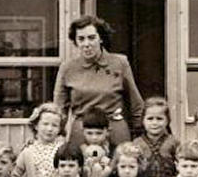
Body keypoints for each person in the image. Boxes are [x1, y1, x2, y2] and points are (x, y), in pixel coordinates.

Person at [54, 15, 145, 148]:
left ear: (101, 38)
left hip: (114, 129)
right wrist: (55, 136)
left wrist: (141, 135)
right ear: (75, 42)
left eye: (91, 38)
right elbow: (59, 109)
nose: (86, 44)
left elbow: (136, 103)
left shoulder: (120, 63)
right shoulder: (67, 68)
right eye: (81, 39)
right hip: (82, 131)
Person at [13, 102, 66, 177]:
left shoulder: (63, 149)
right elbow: (15, 176)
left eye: (54, 125)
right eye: (45, 124)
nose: (49, 129)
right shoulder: (28, 151)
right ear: (36, 125)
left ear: (59, 129)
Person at [133, 97, 179, 177]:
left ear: (167, 121)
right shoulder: (137, 143)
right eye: (150, 119)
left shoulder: (174, 143)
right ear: (143, 121)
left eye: (159, 119)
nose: (154, 123)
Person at [79, 106, 115, 177]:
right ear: (83, 131)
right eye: (89, 133)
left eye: (99, 133)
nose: (94, 137)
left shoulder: (113, 150)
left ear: (107, 131)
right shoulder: (79, 151)